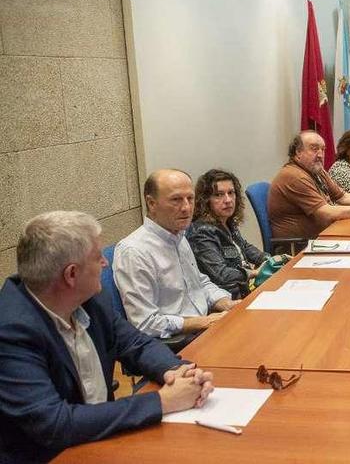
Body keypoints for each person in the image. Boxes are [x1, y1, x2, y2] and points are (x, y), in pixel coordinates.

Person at [0, 211, 214, 462]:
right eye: (97, 257)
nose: (105, 263)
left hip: (104, 437)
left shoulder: (91, 300)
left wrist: (176, 371)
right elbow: (54, 424)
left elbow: (136, 343)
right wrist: (162, 402)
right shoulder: (11, 332)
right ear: (71, 275)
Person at [114, 169, 239, 342]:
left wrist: (225, 302)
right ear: (151, 203)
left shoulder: (178, 235)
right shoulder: (134, 251)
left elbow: (199, 282)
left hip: (205, 327)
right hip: (179, 342)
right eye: (176, 200)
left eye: (190, 198)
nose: (186, 207)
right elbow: (145, 323)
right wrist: (202, 322)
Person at [269, 130, 350, 246]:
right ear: (298, 152)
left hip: (326, 235)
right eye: (314, 149)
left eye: (322, 149)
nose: (320, 155)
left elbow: (343, 197)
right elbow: (327, 213)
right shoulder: (295, 176)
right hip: (304, 247)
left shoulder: (316, 170)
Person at [187, 169, 271, 299]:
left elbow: (245, 247)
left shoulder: (227, 221)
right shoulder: (202, 232)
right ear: (205, 200)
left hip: (246, 288)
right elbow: (221, 274)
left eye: (231, 193)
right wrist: (253, 273)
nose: (228, 200)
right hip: (230, 296)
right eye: (219, 195)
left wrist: (268, 259)